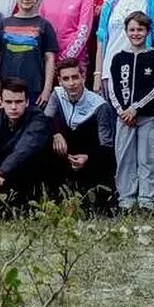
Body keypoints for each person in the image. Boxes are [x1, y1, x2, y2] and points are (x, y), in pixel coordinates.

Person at [106, 13, 154, 214]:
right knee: (124, 158)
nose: (136, 33)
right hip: (124, 118)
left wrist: (135, 108)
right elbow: (112, 87)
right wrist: (122, 111)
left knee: (148, 157)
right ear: (126, 31)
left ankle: (147, 200)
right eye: (132, 29)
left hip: (147, 117)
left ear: (147, 32)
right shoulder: (118, 58)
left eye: (140, 29)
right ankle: (126, 200)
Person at [0, 77, 52, 207]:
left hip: (28, 176)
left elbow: (24, 150)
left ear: (27, 101)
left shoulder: (38, 118)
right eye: (8, 102)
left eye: (18, 102)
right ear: (1, 102)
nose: (13, 107)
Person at [43, 59, 114, 210]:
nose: (71, 83)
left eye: (75, 77)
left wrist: (88, 158)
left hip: (90, 154)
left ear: (83, 77)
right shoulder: (57, 94)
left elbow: (106, 146)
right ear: (60, 81)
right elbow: (45, 120)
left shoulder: (99, 105)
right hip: (65, 152)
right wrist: (56, 134)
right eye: (66, 79)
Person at [0, 0, 59, 106]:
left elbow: (50, 58)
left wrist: (46, 89)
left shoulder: (44, 25)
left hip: (34, 88)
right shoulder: (3, 24)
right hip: (7, 88)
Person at [39, 0, 96, 78]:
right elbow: (40, 30)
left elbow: (83, 31)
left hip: (74, 63)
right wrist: (47, 57)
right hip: (49, 62)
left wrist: (65, 59)